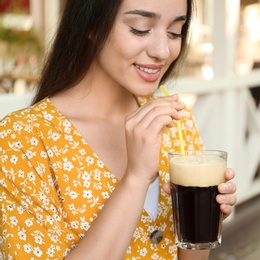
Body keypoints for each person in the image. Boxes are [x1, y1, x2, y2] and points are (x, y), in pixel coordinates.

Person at [0, 0, 237, 259]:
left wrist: (204, 223)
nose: (162, 51)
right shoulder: (19, 140)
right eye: (139, 28)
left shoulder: (175, 121)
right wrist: (135, 178)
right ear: (90, 23)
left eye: (174, 32)